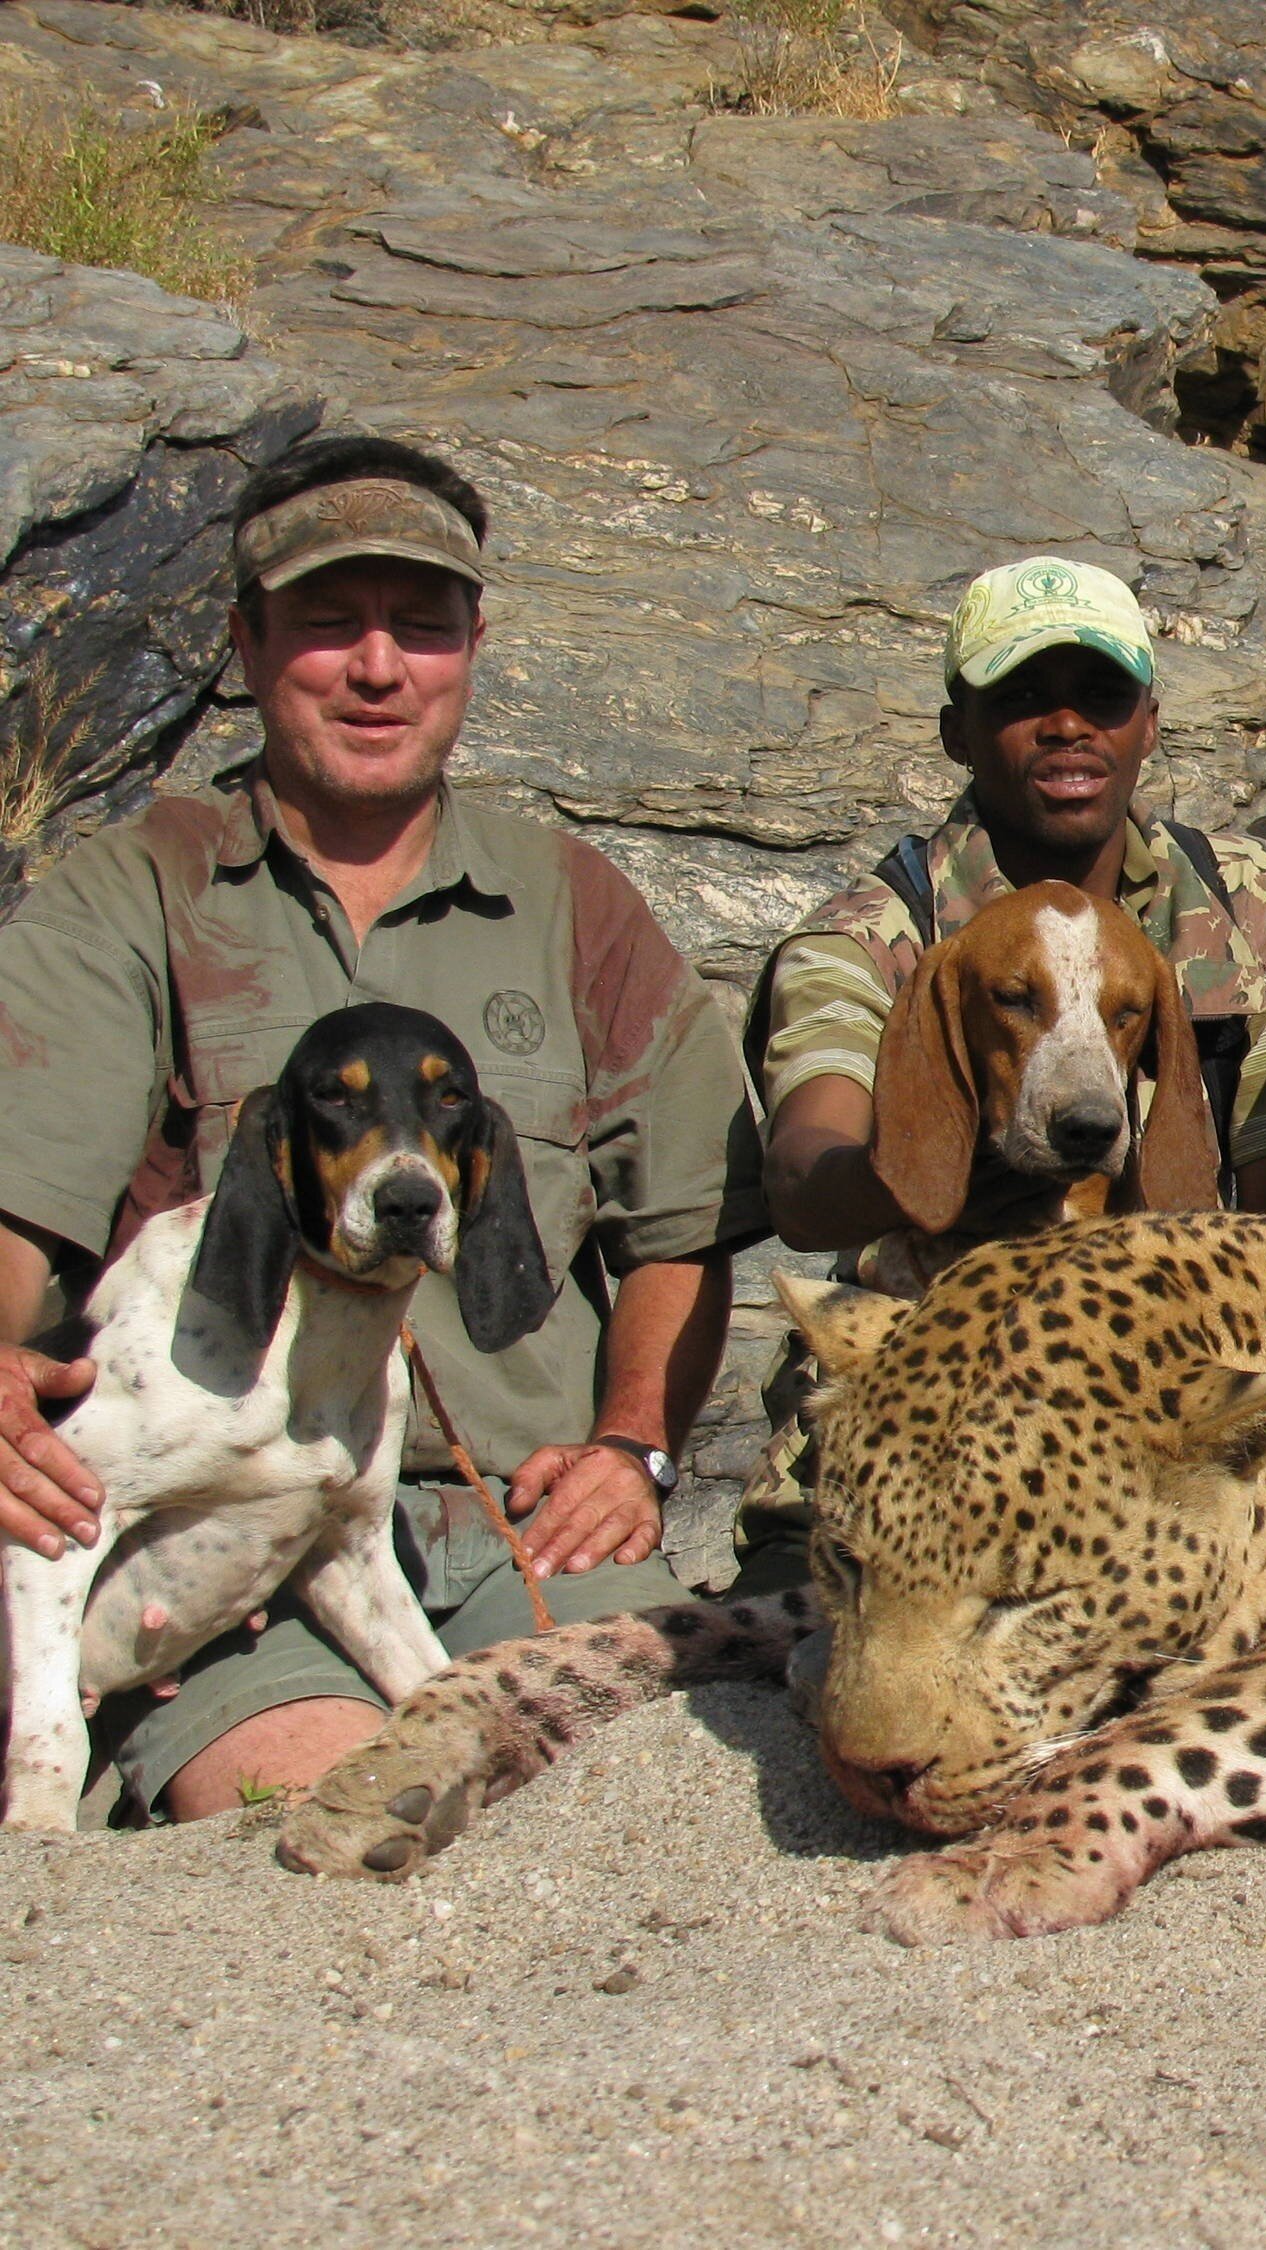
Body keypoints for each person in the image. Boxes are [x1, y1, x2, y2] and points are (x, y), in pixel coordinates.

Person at [0, 434, 764, 1820]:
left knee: (668, 1797)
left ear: (473, 644)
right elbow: (19, 1208)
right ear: (245, 641)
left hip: (523, 1524)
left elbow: (689, 1220)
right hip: (220, 1544)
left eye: (420, 626)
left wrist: (634, 1444)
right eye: (326, 625)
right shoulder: (134, 893)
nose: (377, 668)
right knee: (330, 1812)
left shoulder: (574, 902)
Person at [754, 555, 1266, 1252]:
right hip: (939, 1316)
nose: (1066, 726)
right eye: (1021, 696)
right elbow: (800, 1172)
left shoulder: (1252, 899)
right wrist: (932, 1173)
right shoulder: (866, 939)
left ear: (1148, 725)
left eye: (1102, 695)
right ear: (956, 733)